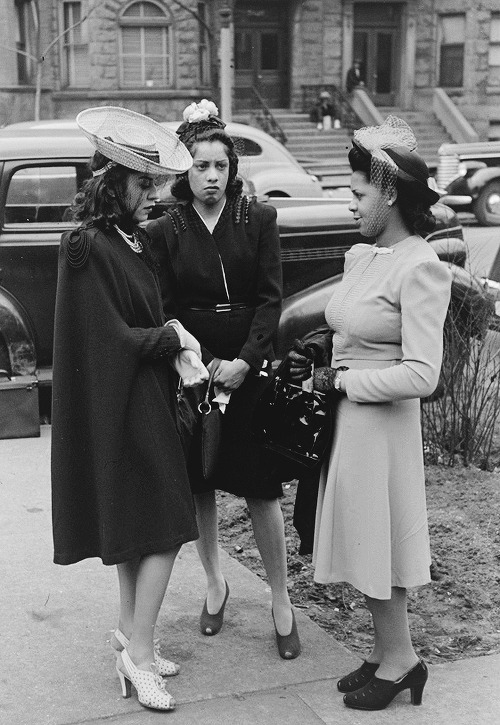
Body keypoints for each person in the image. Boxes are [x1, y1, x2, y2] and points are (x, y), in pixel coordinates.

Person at [288, 116, 452, 710]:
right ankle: (389, 653)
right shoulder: (364, 257)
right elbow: (345, 328)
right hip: (349, 424)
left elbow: (422, 374)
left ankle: (404, 659)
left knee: (381, 543)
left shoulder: (419, 265)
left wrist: (345, 380)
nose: (350, 203)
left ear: (389, 192)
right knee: (365, 542)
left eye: (358, 193)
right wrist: (318, 360)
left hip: (381, 427)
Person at [51, 106, 209, 712]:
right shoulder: (84, 245)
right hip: (121, 403)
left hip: (143, 397)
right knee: (168, 526)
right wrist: (172, 337)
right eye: (144, 184)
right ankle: (138, 657)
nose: (154, 195)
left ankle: (130, 634)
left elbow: (135, 322)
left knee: (141, 527)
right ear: (110, 181)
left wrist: (165, 334)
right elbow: (107, 340)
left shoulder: (128, 238)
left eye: (155, 183)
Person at [147, 99, 301, 660]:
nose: (211, 177)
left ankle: (281, 600)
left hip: (249, 370)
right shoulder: (164, 230)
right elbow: (165, 304)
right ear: (183, 172)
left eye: (220, 166)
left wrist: (245, 361)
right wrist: (205, 363)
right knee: (201, 483)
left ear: (233, 168)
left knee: (260, 487)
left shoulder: (258, 218)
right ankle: (215, 583)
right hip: (195, 374)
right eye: (199, 167)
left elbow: (269, 299)